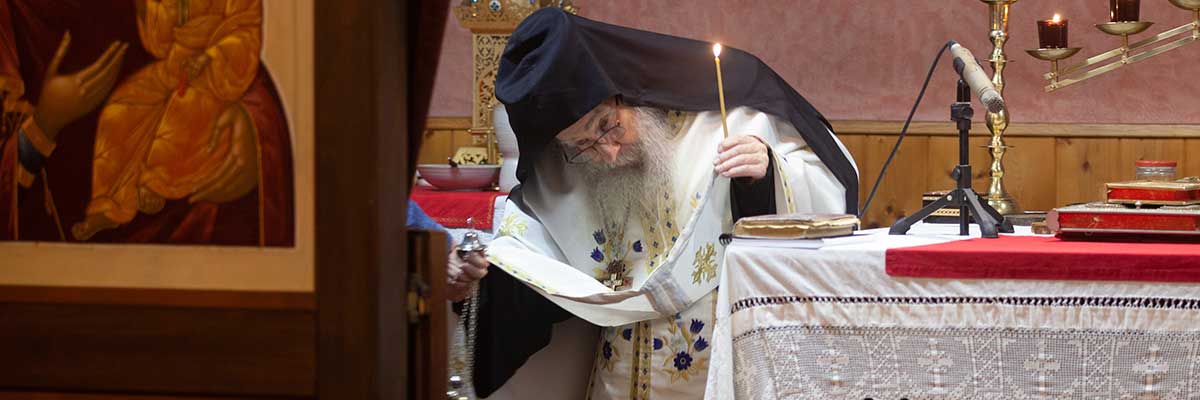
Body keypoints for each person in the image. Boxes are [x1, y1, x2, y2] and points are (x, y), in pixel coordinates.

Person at [448, 8, 858, 399]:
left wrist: (766, 172)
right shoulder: (564, 171)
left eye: (607, 126)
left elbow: (829, 189)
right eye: (582, 145)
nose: (607, 152)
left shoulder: (727, 112)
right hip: (617, 377)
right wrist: (476, 281)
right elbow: (532, 267)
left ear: (623, 91)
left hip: (720, 373)